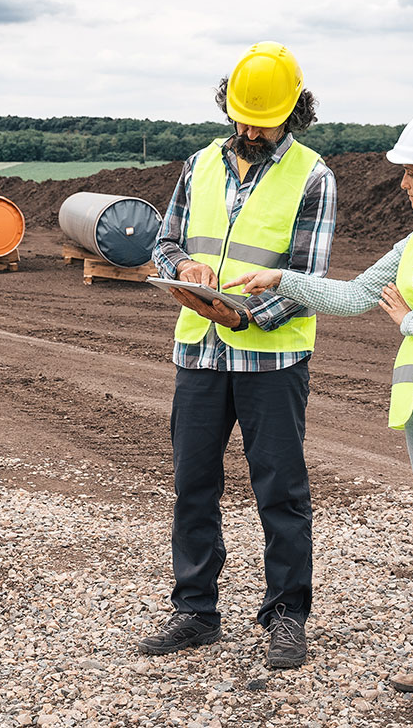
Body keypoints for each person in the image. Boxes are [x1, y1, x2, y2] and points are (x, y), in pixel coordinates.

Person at [226, 105, 413, 725]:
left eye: (412, 173)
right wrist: (280, 280)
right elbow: (352, 295)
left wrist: (406, 321)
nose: (403, 183)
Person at [138, 41, 336, 670]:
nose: (251, 128)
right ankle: (195, 611)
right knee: (193, 484)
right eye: (243, 115)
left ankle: (286, 616)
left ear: (295, 112)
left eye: (265, 118)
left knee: (279, 489)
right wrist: (182, 268)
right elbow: (164, 243)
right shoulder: (197, 166)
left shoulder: (313, 177)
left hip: (271, 362)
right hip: (198, 352)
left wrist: (248, 314)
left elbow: (307, 277)